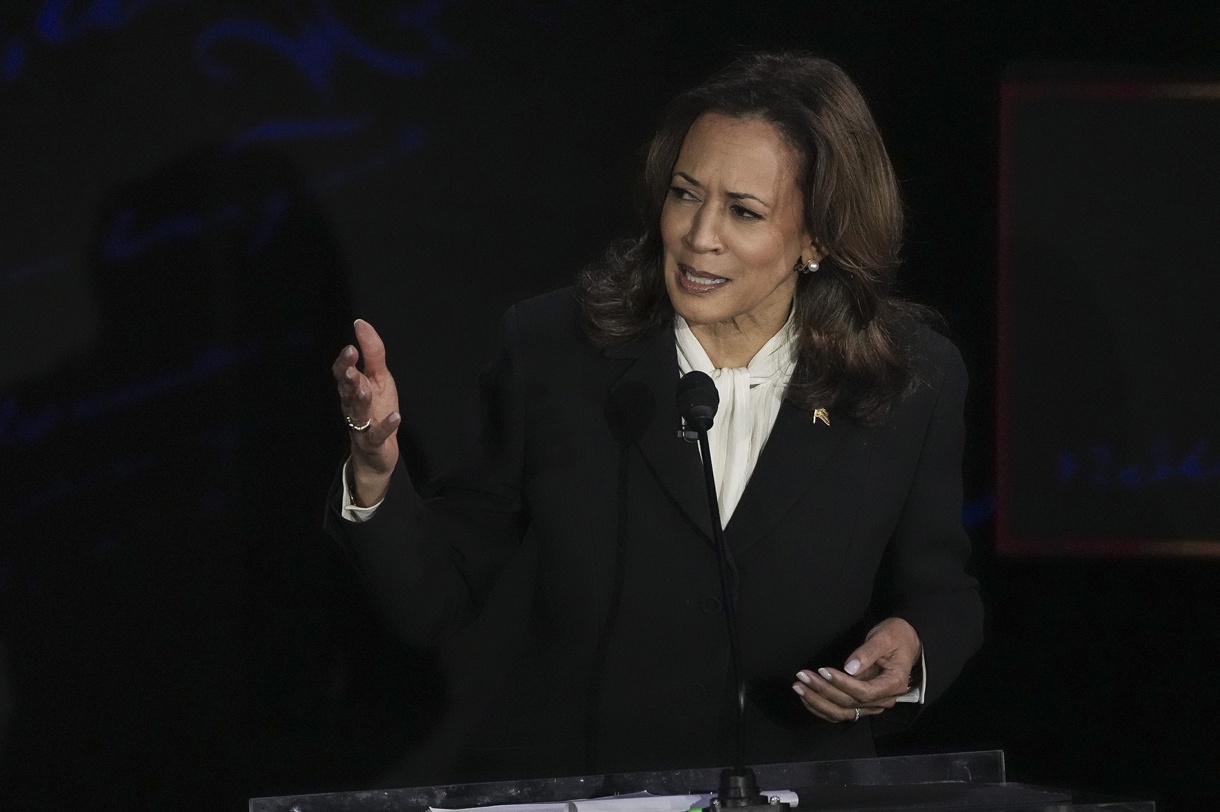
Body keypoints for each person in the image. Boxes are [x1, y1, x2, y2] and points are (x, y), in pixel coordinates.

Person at [325, 51, 983, 780]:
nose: (700, 235)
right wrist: (377, 477)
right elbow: (434, 598)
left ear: (818, 236)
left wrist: (912, 645)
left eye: (743, 211)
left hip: (801, 786)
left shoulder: (908, 381)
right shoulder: (556, 352)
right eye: (684, 194)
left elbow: (939, 589)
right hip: (591, 784)